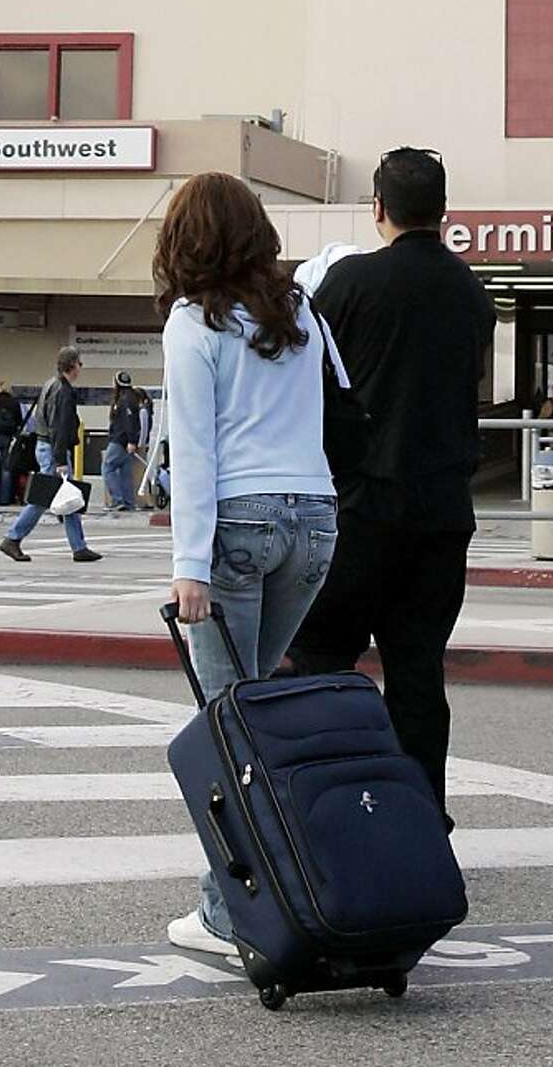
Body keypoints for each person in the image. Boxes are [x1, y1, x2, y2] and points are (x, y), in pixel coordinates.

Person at [287, 147, 495, 830]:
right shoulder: (472, 292)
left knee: (318, 660)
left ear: (377, 208)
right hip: (442, 513)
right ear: (443, 210)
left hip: (362, 507)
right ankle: (422, 820)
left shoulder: (348, 285)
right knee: (417, 673)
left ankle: (310, 814)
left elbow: (308, 381)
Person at [157, 172, 338, 957]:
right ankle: (291, 886)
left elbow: (194, 451)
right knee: (254, 717)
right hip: (315, 519)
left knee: (229, 731)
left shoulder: (192, 322)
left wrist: (188, 564)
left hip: (236, 523)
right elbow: (340, 401)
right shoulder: (300, 311)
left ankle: (231, 911)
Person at [0, 347, 100, 564]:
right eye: (80, 364)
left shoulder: (50, 384)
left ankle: (79, 547)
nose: (81, 368)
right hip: (54, 449)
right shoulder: (63, 391)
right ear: (72, 365)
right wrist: (61, 459)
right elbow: (60, 426)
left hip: (45, 445)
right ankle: (13, 537)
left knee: (70, 497)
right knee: (43, 497)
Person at [102, 371, 141, 513]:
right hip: (125, 441)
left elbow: (129, 421)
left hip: (120, 440)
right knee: (125, 472)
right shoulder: (131, 398)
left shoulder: (124, 400)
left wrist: (131, 440)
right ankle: (128, 502)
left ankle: (118, 500)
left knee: (108, 467)